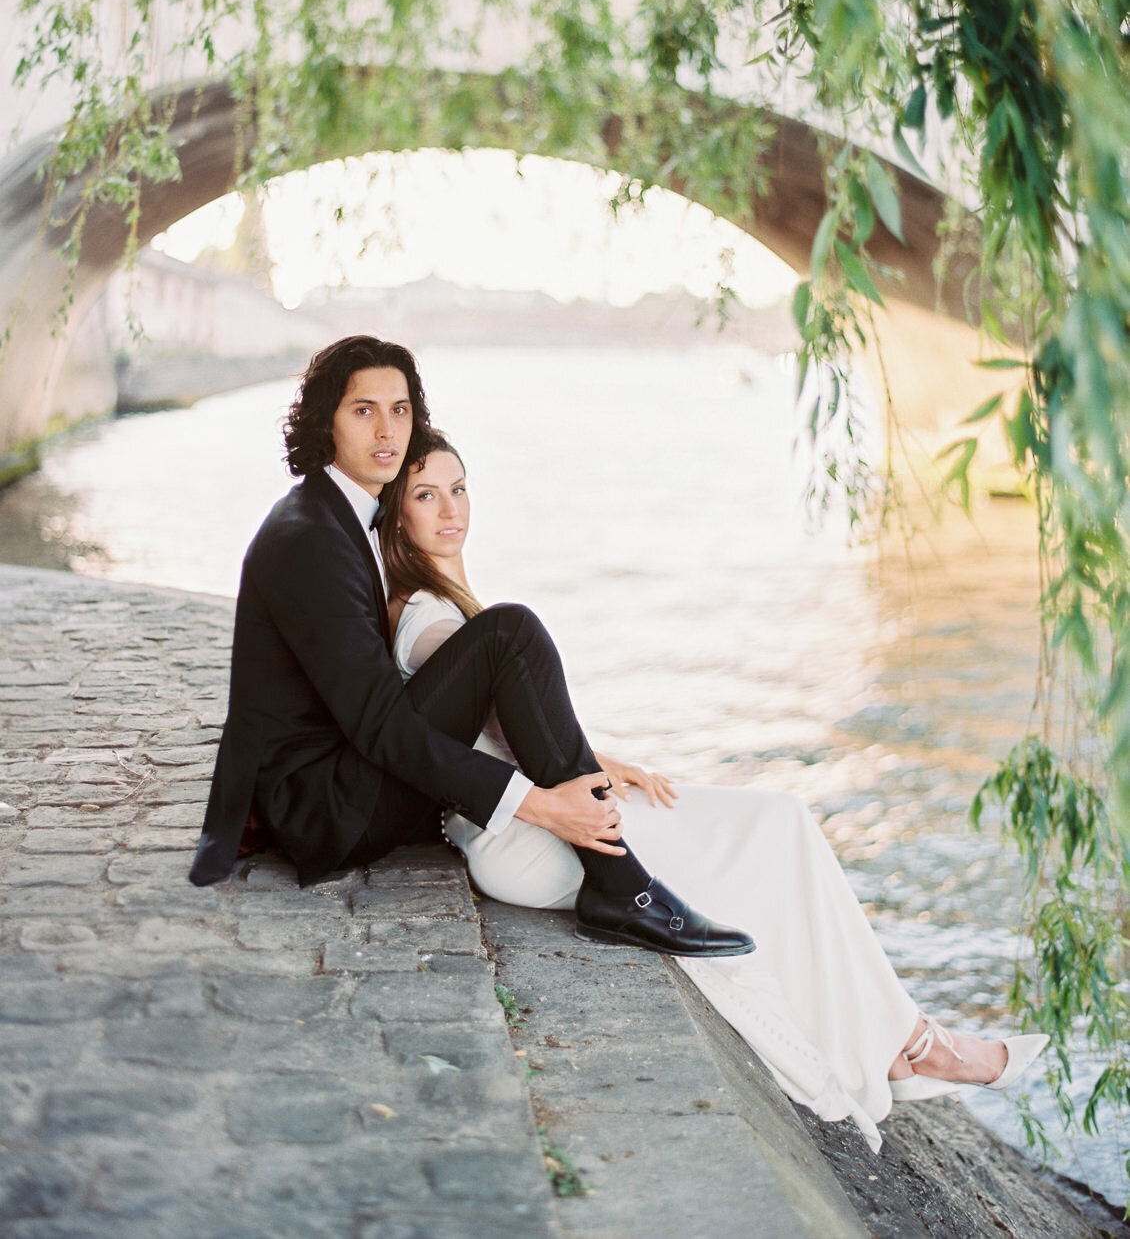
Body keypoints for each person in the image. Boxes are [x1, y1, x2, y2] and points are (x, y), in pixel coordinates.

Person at [382, 428, 1050, 1152]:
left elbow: (505, 717)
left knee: (778, 828)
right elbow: (489, 703)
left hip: (546, 812)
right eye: (426, 495)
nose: (451, 509)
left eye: (459, 487)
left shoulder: (443, 603)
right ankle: (914, 1047)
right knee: (775, 830)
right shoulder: (428, 619)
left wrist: (603, 760)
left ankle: (901, 1041)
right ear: (397, 517)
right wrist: (592, 768)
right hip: (529, 836)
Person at [189, 334, 751, 960]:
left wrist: (581, 760)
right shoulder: (312, 536)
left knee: (507, 639)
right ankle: (621, 887)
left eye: (399, 410)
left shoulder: (339, 515)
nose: (385, 430)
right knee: (508, 633)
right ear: (326, 421)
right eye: (363, 409)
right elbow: (380, 725)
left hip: (338, 783)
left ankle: (616, 873)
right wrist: (536, 805)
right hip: (329, 810)